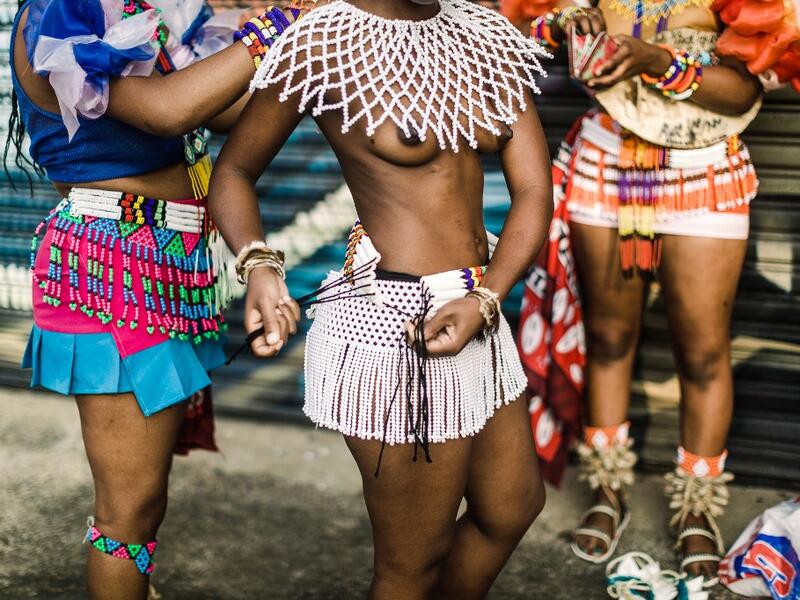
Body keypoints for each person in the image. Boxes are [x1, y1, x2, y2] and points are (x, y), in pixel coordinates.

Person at [208, 1, 553, 597]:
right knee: (410, 565)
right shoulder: (322, 43)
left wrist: (490, 297)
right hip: (399, 330)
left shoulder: (481, 31)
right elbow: (234, 170)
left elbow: (533, 189)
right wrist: (260, 265)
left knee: (512, 508)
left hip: (480, 307)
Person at [6, 1, 309, 597]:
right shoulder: (61, 13)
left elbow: (219, 109)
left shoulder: (147, 9)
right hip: (108, 270)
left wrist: (308, 54)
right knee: (128, 511)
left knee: (146, 499)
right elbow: (170, 111)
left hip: (165, 263)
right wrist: (282, 20)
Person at [511, 0, 798, 587]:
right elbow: (526, 34)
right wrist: (567, 25)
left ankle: (696, 504)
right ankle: (608, 489)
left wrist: (656, 61)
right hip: (605, 164)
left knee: (702, 353)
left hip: (704, 168)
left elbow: (739, 95)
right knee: (610, 340)